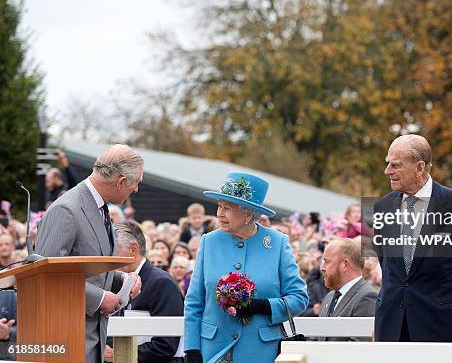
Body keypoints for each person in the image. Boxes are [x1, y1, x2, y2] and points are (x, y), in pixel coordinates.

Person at [184, 172, 308, 363]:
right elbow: (194, 302)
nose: (219, 214)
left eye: (228, 208)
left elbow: (299, 298)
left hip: (260, 352)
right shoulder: (209, 242)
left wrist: (263, 306)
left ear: (248, 213)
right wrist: (191, 349)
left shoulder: (277, 243)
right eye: (219, 205)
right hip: (214, 351)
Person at [36, 144, 143, 363]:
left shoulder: (99, 208)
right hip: (65, 342)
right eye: (136, 183)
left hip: (90, 343)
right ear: (121, 181)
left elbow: (85, 270)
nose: (136, 190)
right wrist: (100, 298)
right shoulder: (66, 210)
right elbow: (45, 276)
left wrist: (122, 279)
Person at [373, 134, 452, 342]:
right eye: (388, 164)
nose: (388, 171)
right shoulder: (382, 208)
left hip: (438, 328)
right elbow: (386, 263)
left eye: (395, 165)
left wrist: (443, 303)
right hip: (391, 328)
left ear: (420, 167)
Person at [113, 220, 185, 362]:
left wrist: (118, 354)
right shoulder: (116, 279)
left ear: (133, 249)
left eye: (114, 248)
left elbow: (166, 344)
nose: (108, 254)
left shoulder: (161, 283)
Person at [319, 239, 377, 341]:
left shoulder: (367, 297)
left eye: (326, 261)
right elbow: (316, 337)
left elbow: (358, 347)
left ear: (345, 264)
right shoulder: (330, 297)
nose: (322, 268)